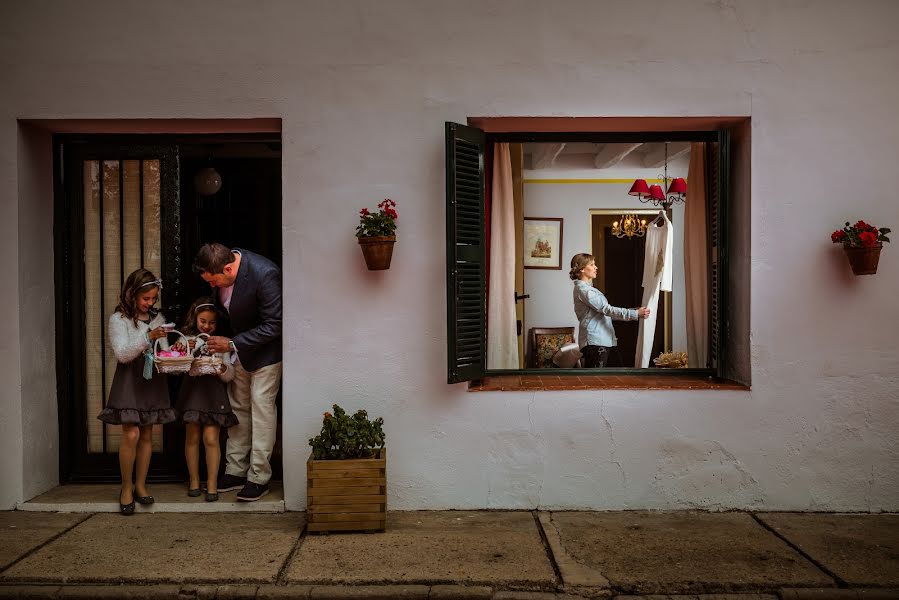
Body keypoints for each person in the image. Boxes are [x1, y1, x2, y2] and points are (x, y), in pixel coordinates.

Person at [192, 243, 282, 502]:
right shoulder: (220, 270)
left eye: (214, 280)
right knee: (238, 408)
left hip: (266, 354)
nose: (212, 286)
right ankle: (235, 470)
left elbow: (274, 324)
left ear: (228, 268)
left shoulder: (264, 274)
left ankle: (259, 476)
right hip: (238, 353)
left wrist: (232, 344)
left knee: (262, 410)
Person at [97, 268, 176, 515]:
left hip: (152, 379)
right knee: (130, 434)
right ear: (131, 294)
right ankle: (126, 486)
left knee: (146, 434)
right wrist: (147, 335)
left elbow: (163, 352)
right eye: (146, 299)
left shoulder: (157, 318)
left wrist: (177, 353)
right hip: (130, 379)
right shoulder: (118, 320)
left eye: (154, 298)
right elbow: (122, 354)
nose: (150, 303)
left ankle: (141, 485)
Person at [175, 297, 237, 502]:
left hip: (214, 395)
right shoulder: (187, 339)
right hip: (193, 394)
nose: (207, 326)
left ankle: (211, 482)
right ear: (195, 319)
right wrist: (185, 350)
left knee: (211, 439)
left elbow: (229, 375)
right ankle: (193, 480)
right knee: (192, 437)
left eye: (211, 322)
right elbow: (177, 365)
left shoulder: (220, 342)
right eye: (203, 321)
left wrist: (220, 367)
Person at [569, 253, 650, 368]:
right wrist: (634, 313)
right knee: (597, 383)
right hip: (596, 343)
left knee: (613, 379)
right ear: (582, 269)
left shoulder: (587, 290)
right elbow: (607, 310)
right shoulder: (585, 290)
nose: (596, 267)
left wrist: (633, 312)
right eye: (592, 265)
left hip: (603, 341)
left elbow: (607, 314)